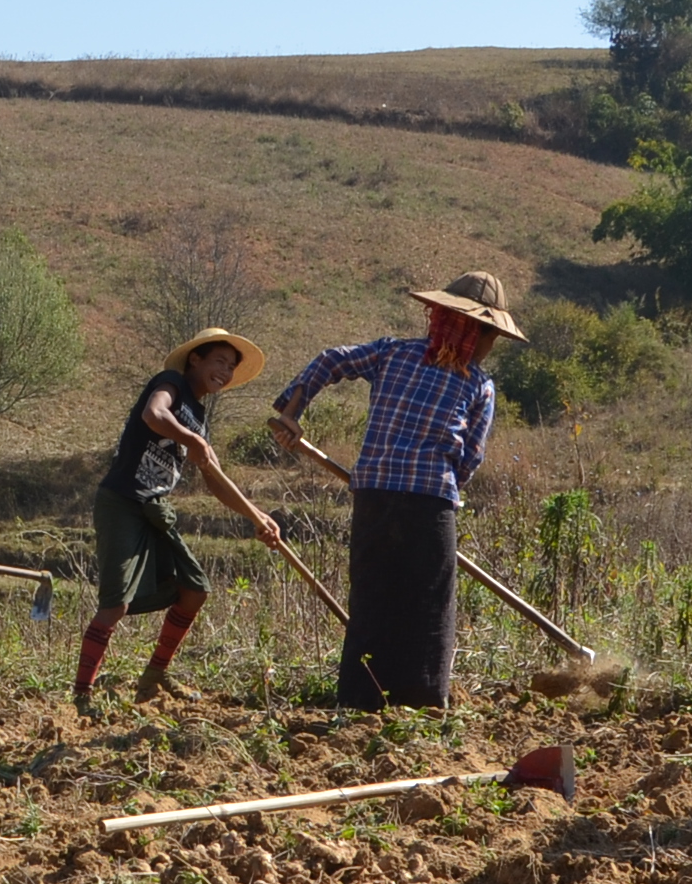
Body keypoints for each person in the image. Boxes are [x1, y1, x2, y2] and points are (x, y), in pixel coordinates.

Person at [269, 272, 519, 709]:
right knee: (428, 605)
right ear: (472, 331)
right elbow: (470, 457)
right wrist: (443, 496)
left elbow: (331, 360)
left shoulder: (392, 353)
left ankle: (360, 699)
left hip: (375, 495)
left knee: (373, 596)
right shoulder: (479, 384)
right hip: (430, 501)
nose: (488, 345)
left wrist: (293, 411)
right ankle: (421, 703)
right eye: (488, 335)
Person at [76, 329, 287, 717]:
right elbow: (153, 415)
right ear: (195, 359)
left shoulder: (200, 419)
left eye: (231, 366)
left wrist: (256, 516)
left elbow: (215, 479)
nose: (225, 371)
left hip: (154, 509)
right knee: (115, 604)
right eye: (219, 361)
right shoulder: (170, 383)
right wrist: (191, 439)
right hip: (122, 502)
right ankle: (82, 697)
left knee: (194, 589)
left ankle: (154, 676)